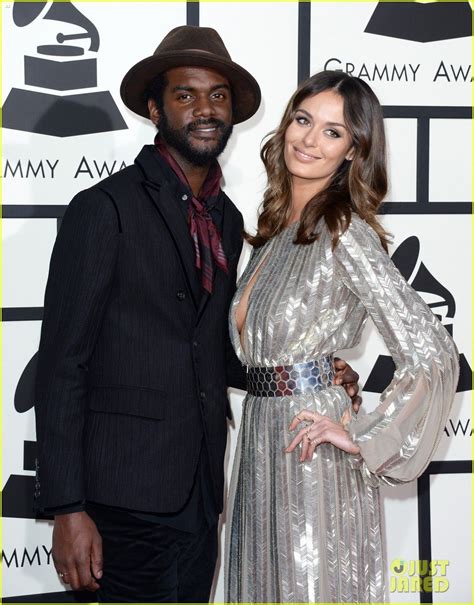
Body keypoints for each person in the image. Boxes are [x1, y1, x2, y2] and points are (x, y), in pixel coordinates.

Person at [34, 28, 360, 603]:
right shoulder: (104, 209)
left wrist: (309, 369)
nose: (205, 108)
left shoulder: (230, 221)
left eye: (217, 95)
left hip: (203, 495)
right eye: (185, 95)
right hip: (118, 500)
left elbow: (211, 348)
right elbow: (62, 365)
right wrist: (67, 508)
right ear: (156, 109)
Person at [225, 71, 459, 603]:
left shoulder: (343, 229)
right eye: (303, 121)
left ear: (355, 151)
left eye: (333, 132)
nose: (309, 140)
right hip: (261, 441)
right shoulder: (275, 231)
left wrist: (366, 434)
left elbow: (432, 352)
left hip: (309, 452)